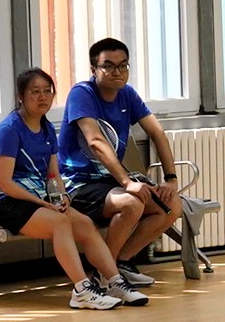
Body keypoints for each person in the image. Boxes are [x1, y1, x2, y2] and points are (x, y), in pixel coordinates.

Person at [0, 68, 140, 309]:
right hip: (3, 202)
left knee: (85, 224)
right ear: (20, 97)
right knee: (60, 223)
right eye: (35, 92)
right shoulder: (9, 130)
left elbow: (53, 174)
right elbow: (3, 183)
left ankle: (113, 281)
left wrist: (62, 196)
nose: (42, 97)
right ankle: (82, 290)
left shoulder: (47, 128)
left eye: (47, 91)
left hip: (38, 199)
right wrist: (42, 203)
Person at [57, 38, 184, 297]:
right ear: (94, 69)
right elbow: (95, 141)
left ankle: (120, 263)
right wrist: (127, 182)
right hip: (77, 184)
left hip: (110, 183)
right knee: (131, 203)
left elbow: (157, 132)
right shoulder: (82, 94)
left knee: (171, 205)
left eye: (123, 66)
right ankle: (106, 275)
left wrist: (171, 179)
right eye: (108, 66)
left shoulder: (127, 94)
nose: (117, 72)